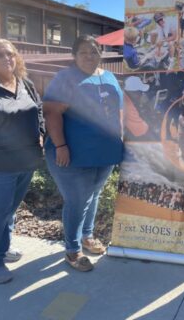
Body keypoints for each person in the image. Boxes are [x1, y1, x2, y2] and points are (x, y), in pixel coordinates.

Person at [43, 35, 123, 272]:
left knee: (94, 195)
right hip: (73, 153)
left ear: (101, 53)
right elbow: (51, 113)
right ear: (74, 55)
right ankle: (72, 249)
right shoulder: (65, 78)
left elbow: (117, 109)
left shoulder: (109, 76)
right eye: (84, 52)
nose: (89, 56)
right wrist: (60, 146)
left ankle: (87, 236)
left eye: (94, 51)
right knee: (77, 201)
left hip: (105, 152)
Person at [0, 39, 44, 284]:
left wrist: (40, 131)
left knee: (9, 209)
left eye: (10, 54)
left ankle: (2, 249)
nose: (7, 58)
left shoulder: (25, 83)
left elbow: (37, 108)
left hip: (25, 160)